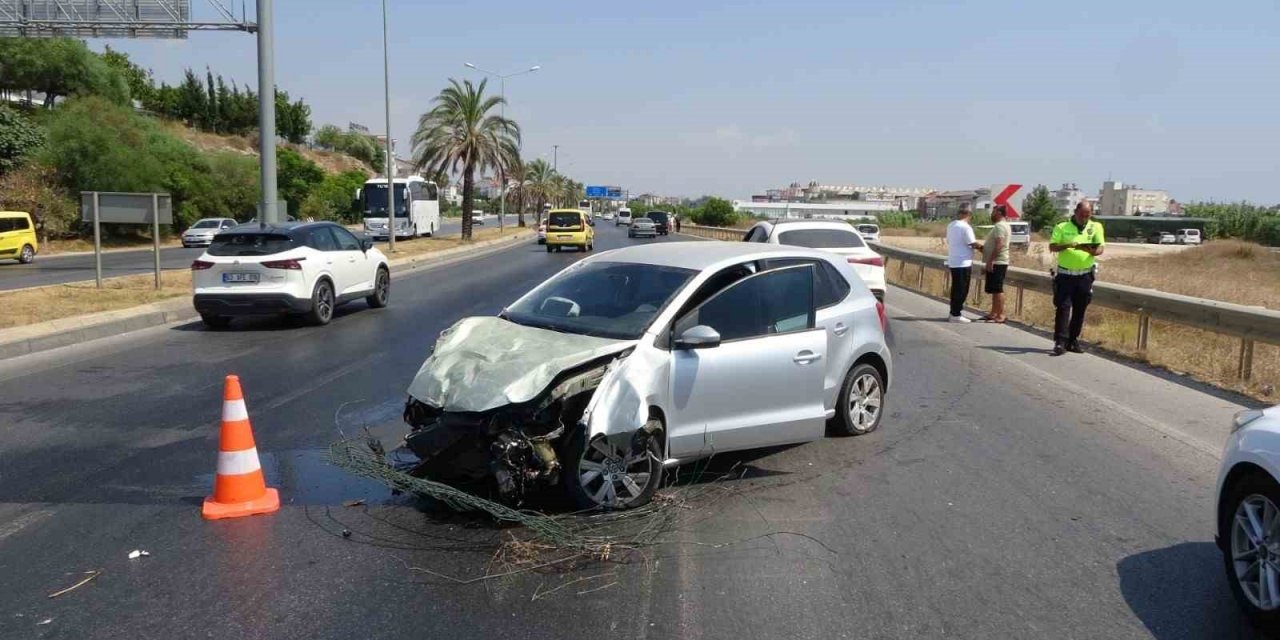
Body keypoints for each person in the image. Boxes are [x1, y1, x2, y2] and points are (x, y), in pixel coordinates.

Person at [1048, 201, 1106, 355]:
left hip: (1085, 275)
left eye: (1087, 215)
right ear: (1075, 212)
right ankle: (1060, 341)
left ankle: (1072, 340)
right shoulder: (1062, 226)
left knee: (1080, 309)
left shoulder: (1096, 227)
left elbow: (1100, 247)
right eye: (1081, 215)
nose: (1084, 218)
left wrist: (1095, 252)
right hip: (1066, 275)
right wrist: (1067, 245)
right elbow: (1052, 246)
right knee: (1063, 308)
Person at [945, 204, 982, 323]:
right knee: (961, 289)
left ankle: (953, 312)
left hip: (953, 260)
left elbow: (950, 241)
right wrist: (984, 248)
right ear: (969, 214)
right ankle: (956, 314)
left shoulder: (951, 225)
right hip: (963, 262)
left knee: (956, 288)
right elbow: (972, 243)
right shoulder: (966, 227)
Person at [981, 205, 1012, 323]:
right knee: (994, 289)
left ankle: (1001, 314)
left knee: (998, 288)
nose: (992, 213)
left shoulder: (1000, 226)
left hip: (998, 261)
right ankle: (994, 313)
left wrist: (991, 261)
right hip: (997, 261)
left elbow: (1000, 244)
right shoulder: (1002, 225)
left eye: (993, 211)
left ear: (999, 212)